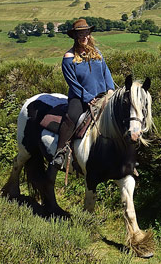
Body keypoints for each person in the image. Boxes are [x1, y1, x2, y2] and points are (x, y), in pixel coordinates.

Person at [49, 19, 115, 175]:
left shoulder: (97, 53)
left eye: (86, 32)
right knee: (71, 117)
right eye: (80, 33)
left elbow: (106, 73)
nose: (84, 36)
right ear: (75, 36)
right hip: (79, 98)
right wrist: (88, 97)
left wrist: (111, 89)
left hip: (102, 95)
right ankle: (60, 152)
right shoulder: (69, 57)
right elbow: (72, 83)